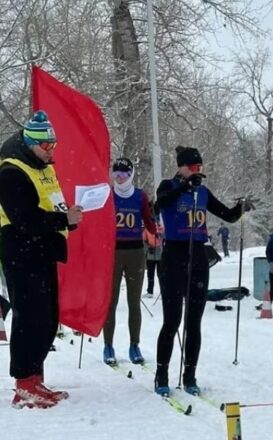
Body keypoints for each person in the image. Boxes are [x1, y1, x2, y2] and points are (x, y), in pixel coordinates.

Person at [0, 110, 83, 408]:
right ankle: (23, 383)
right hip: (21, 252)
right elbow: (23, 217)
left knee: (48, 318)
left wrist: (68, 218)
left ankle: (34, 378)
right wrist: (61, 218)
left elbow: (50, 204)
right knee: (29, 317)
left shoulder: (42, 167)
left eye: (54, 145)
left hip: (43, 250)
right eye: (46, 146)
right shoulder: (11, 170)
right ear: (30, 143)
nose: (51, 151)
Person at [153, 145, 243, 396]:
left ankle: (190, 375)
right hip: (174, 255)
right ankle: (161, 374)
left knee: (194, 321)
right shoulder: (168, 186)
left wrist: (241, 208)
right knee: (172, 320)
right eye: (192, 167)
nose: (197, 172)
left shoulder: (202, 192)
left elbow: (228, 215)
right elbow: (158, 205)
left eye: (200, 168)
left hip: (198, 256)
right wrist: (184, 186)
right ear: (181, 167)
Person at [103, 157, 157, 365]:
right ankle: (108, 345)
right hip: (113, 252)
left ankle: (135, 345)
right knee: (111, 302)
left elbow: (149, 223)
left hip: (135, 252)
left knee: (134, 302)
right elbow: (99, 220)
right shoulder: (108, 195)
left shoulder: (139, 196)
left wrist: (155, 218)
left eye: (124, 174)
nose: (119, 178)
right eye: (116, 174)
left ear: (131, 175)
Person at [144, 213, 162, 298]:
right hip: (151, 254)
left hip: (160, 254)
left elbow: (165, 239)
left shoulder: (161, 228)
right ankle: (150, 291)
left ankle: (163, 291)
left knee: (161, 274)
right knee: (150, 273)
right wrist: (148, 247)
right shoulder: (147, 229)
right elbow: (144, 240)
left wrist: (160, 236)